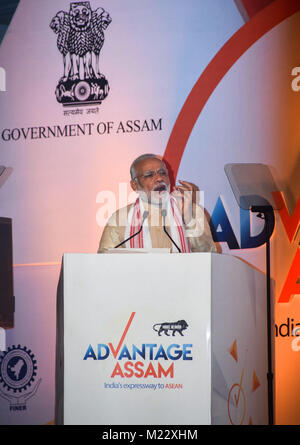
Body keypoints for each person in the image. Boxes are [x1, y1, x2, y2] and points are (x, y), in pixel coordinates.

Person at [98, 153, 216, 253]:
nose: (159, 178)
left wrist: (188, 218)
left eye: (163, 173)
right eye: (149, 175)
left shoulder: (192, 210)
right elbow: (105, 261)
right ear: (134, 185)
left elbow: (208, 255)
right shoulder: (119, 219)